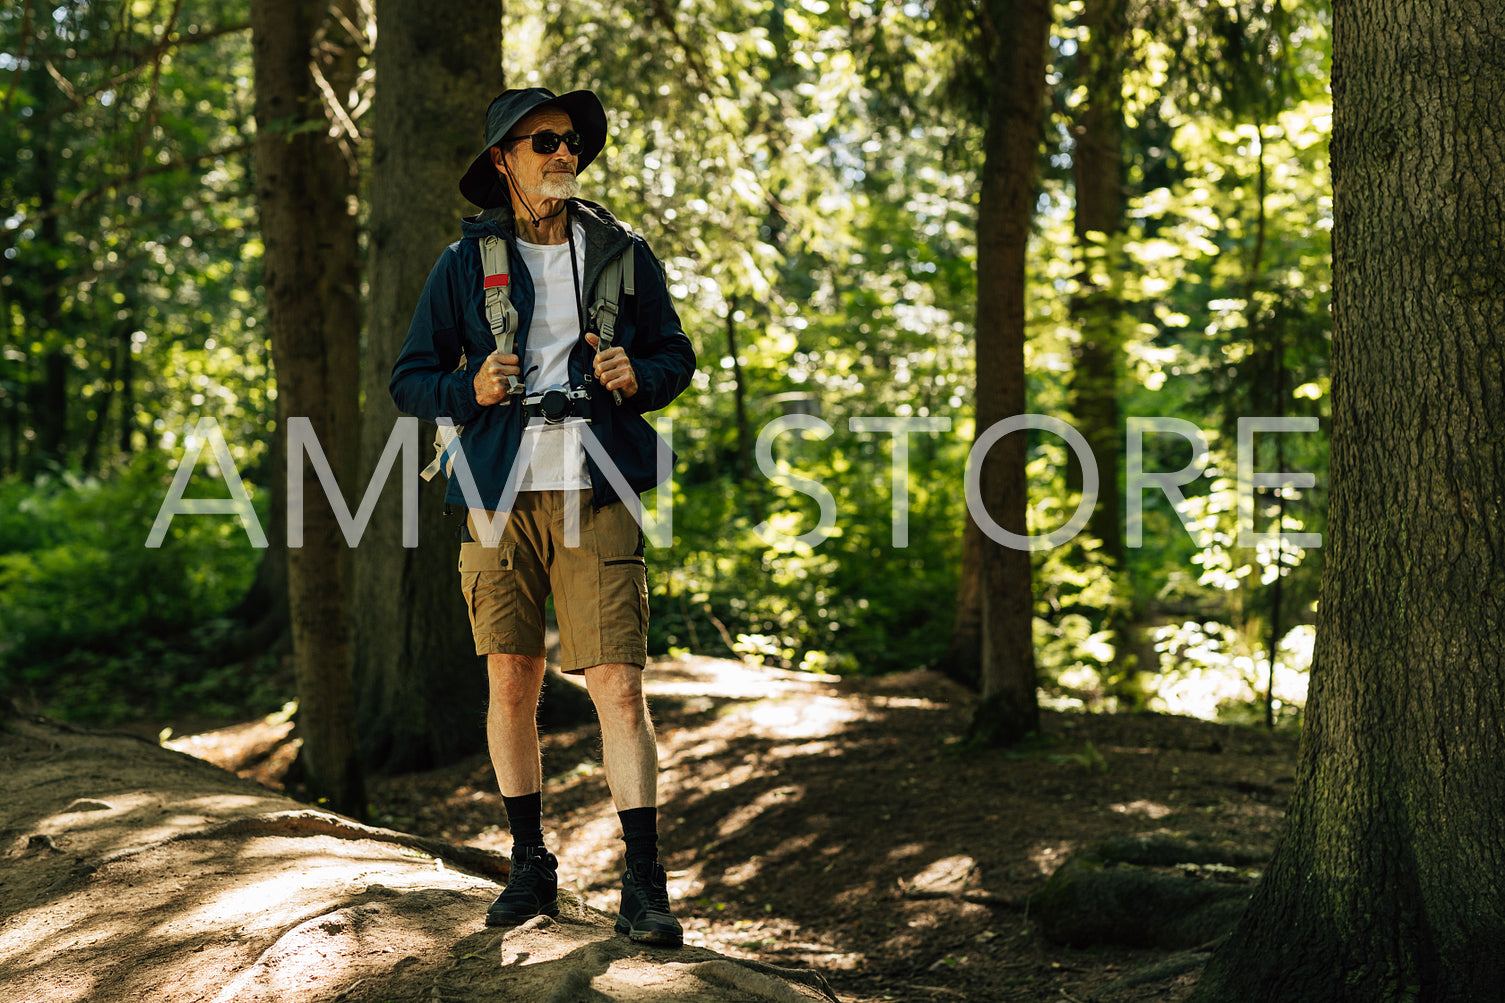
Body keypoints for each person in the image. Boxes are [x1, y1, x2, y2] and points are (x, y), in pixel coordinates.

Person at [389, 87, 696, 947]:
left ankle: (644, 884)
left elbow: (676, 356)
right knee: (510, 681)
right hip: (494, 494)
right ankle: (530, 866)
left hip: (595, 486)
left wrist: (643, 374)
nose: (565, 155)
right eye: (545, 142)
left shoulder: (623, 254)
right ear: (503, 160)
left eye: (572, 144)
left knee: (619, 683)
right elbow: (410, 378)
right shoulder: (462, 263)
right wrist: (467, 387)